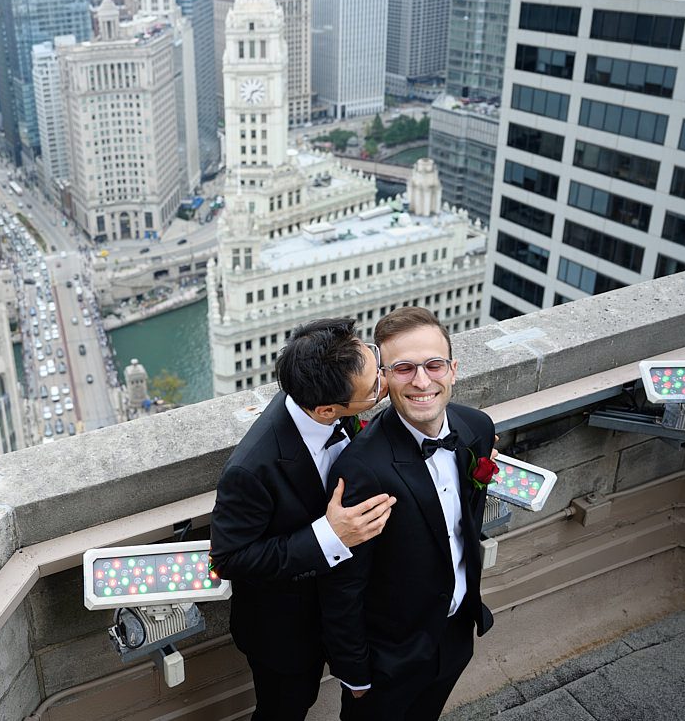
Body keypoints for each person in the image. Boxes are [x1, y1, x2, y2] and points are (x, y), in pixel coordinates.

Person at [211, 318, 396, 720]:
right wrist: (328, 536)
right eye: (374, 387)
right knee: (288, 709)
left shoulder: (330, 397)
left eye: (374, 360)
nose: (384, 380)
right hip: (286, 629)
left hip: (349, 607)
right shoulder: (250, 468)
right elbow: (229, 559)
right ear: (328, 409)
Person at [321, 307, 496, 721]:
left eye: (434, 365)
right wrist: (355, 673)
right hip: (389, 659)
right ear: (383, 379)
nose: (422, 381)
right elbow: (343, 584)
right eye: (403, 369)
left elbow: (464, 527)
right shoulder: (361, 468)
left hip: (454, 634)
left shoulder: (478, 429)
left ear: (453, 369)